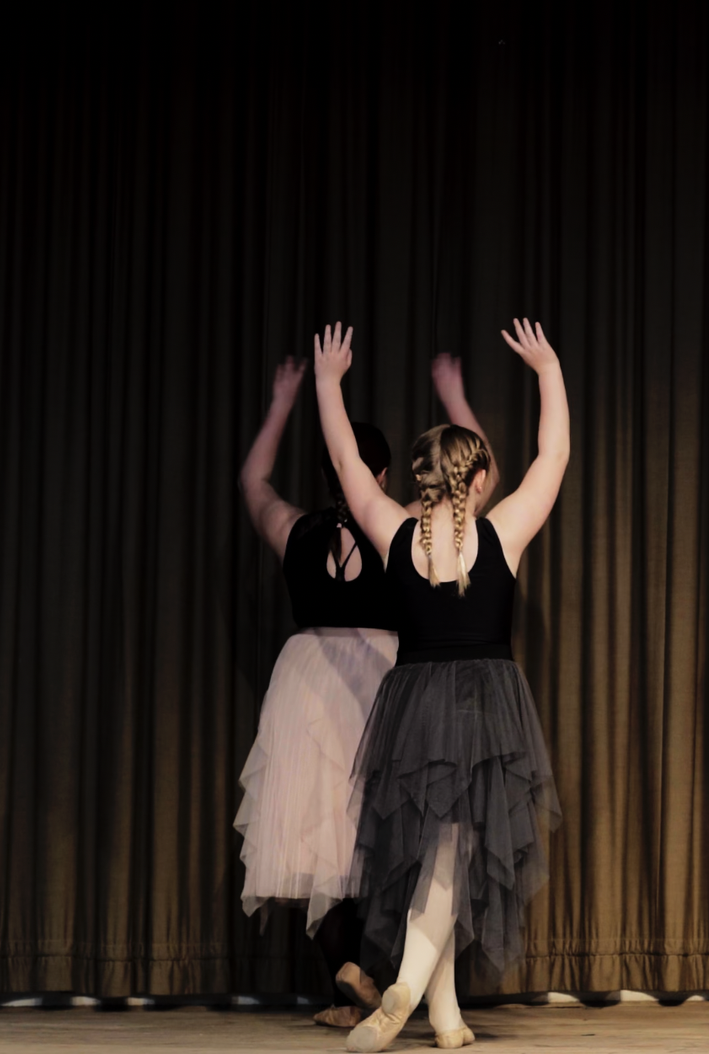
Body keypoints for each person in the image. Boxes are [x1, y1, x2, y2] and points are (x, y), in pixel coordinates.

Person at [315, 320, 571, 1052]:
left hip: (416, 704)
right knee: (450, 853)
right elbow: (554, 453)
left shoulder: (394, 532)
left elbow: (343, 457)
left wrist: (331, 384)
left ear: (424, 478)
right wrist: (549, 369)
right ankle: (400, 990)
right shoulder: (503, 532)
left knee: (441, 853)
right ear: (479, 478)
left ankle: (447, 1013)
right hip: (481, 705)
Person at [234, 351, 498, 1026]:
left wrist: (284, 401)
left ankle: (342, 984)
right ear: (379, 473)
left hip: (306, 674)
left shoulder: (296, 528)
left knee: (315, 837)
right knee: (387, 833)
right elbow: (478, 483)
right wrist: (454, 394)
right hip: (382, 673)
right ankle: (386, 977)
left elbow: (253, 480)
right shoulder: (402, 523)